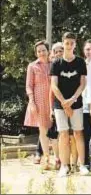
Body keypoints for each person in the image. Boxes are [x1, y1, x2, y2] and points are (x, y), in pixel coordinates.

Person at [50, 32, 89, 177]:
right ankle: (64, 166)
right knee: (64, 134)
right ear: (63, 43)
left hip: (76, 103)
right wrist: (64, 103)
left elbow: (83, 83)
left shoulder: (80, 62)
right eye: (67, 43)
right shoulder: (56, 63)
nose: (69, 45)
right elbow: (54, 85)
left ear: (74, 44)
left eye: (72, 43)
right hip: (60, 104)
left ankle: (81, 165)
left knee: (78, 133)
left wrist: (72, 100)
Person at [25, 41, 55, 170]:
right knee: (43, 131)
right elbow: (29, 86)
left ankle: (58, 158)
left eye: (43, 50)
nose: (41, 53)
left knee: (55, 131)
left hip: (54, 101)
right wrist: (32, 102)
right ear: (36, 53)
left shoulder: (54, 65)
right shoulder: (32, 66)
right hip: (39, 101)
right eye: (39, 51)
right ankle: (46, 159)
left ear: (48, 51)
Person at [82, 39, 91, 168]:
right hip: (84, 106)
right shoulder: (81, 65)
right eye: (87, 49)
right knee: (86, 135)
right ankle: (87, 162)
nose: (90, 51)